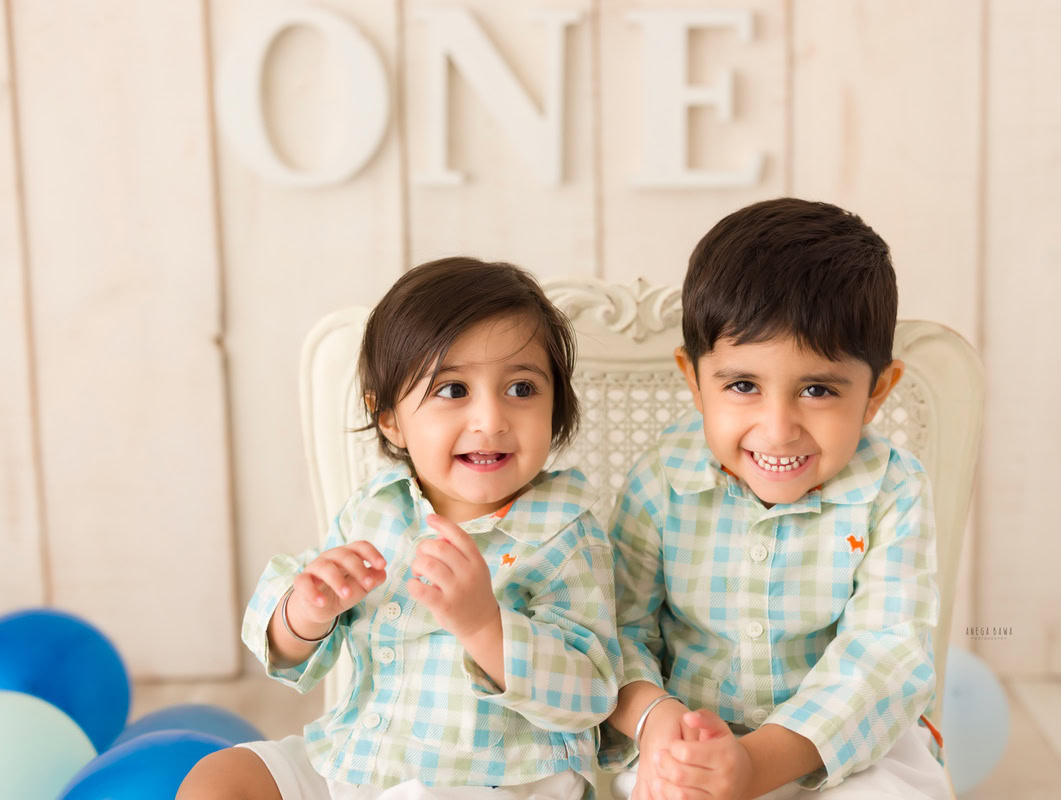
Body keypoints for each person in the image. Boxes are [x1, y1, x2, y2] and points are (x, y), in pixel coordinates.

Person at [180, 257, 621, 800]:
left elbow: (592, 694)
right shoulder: (376, 509)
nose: (491, 419)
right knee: (221, 780)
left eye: (522, 389)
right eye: (454, 391)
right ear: (389, 418)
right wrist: (308, 611)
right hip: (360, 759)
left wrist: (485, 626)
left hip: (495, 778)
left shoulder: (565, 531)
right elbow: (284, 652)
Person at [602, 199, 953, 799]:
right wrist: (662, 724)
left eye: (817, 389)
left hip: (845, 742)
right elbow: (618, 630)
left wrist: (758, 764)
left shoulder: (893, 489)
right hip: (691, 733)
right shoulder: (662, 479)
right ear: (694, 381)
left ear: (876, 393)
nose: (778, 427)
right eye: (743, 385)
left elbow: (884, 653)